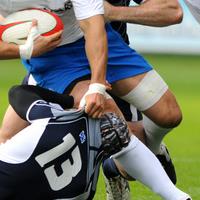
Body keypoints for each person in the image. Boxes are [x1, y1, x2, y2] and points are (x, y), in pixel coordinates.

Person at [0, 84, 192, 200]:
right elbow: (18, 93)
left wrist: (68, 100)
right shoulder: (83, 189)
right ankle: (175, 195)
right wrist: (69, 101)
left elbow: (18, 93)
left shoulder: (53, 121)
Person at [101, 0, 183, 198]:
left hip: (113, 57)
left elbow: (173, 11)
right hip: (61, 60)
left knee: (132, 167)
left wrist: (113, 12)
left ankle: (114, 165)